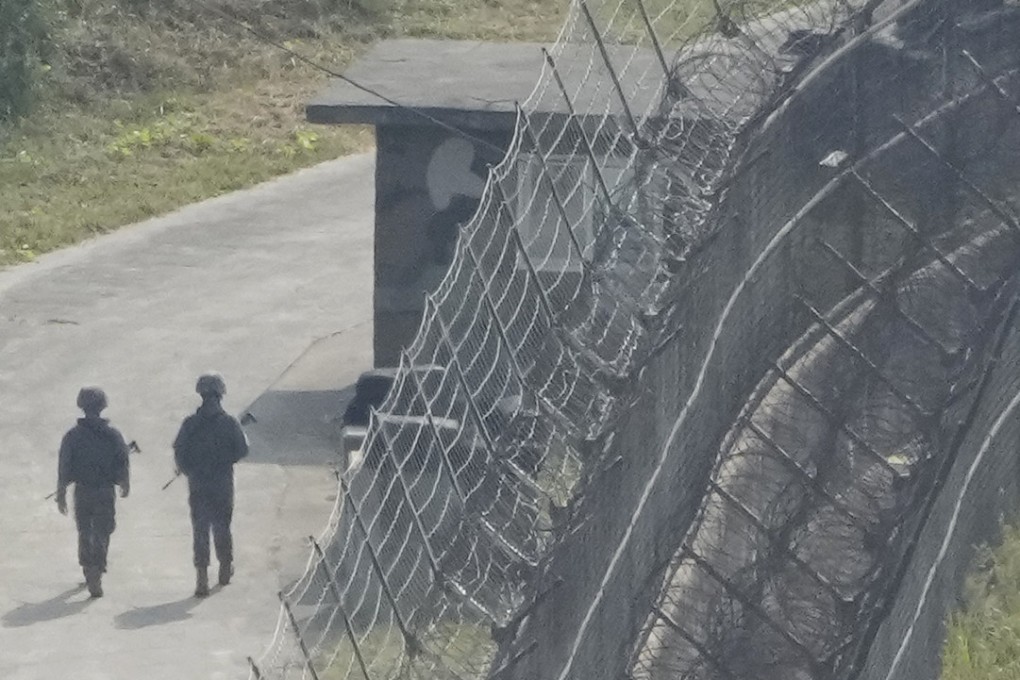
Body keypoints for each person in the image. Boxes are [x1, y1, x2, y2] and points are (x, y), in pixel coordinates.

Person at [173, 373, 248, 597]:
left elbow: (179, 451)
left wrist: (189, 470)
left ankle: (202, 577)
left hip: (198, 483)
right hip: (222, 481)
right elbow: (242, 450)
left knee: (200, 528)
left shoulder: (190, 424)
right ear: (220, 394)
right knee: (222, 525)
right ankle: (225, 567)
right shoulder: (229, 423)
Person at [56, 387, 131, 598]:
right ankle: (96, 568)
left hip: (82, 491)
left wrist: (61, 491)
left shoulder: (72, 436)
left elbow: (64, 465)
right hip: (105, 490)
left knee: (84, 530)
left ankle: (88, 567)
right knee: (103, 530)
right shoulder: (112, 435)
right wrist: (124, 482)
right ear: (103, 406)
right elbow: (122, 460)